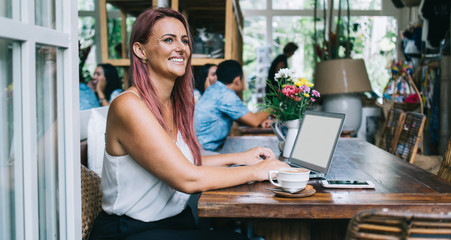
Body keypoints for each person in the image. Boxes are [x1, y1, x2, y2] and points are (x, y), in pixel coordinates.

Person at [88, 8, 288, 240]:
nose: (181, 48)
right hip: (131, 230)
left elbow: (181, 162)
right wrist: (257, 171)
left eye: (184, 40)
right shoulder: (129, 106)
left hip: (173, 222)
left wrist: (240, 157)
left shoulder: (174, 103)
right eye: (168, 40)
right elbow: (188, 178)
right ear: (140, 50)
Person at [194, 59, 272, 151]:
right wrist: (274, 107)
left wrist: (261, 120)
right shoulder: (225, 95)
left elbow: (245, 118)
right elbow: (254, 121)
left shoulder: (215, 89)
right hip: (201, 152)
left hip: (198, 148)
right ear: (237, 80)